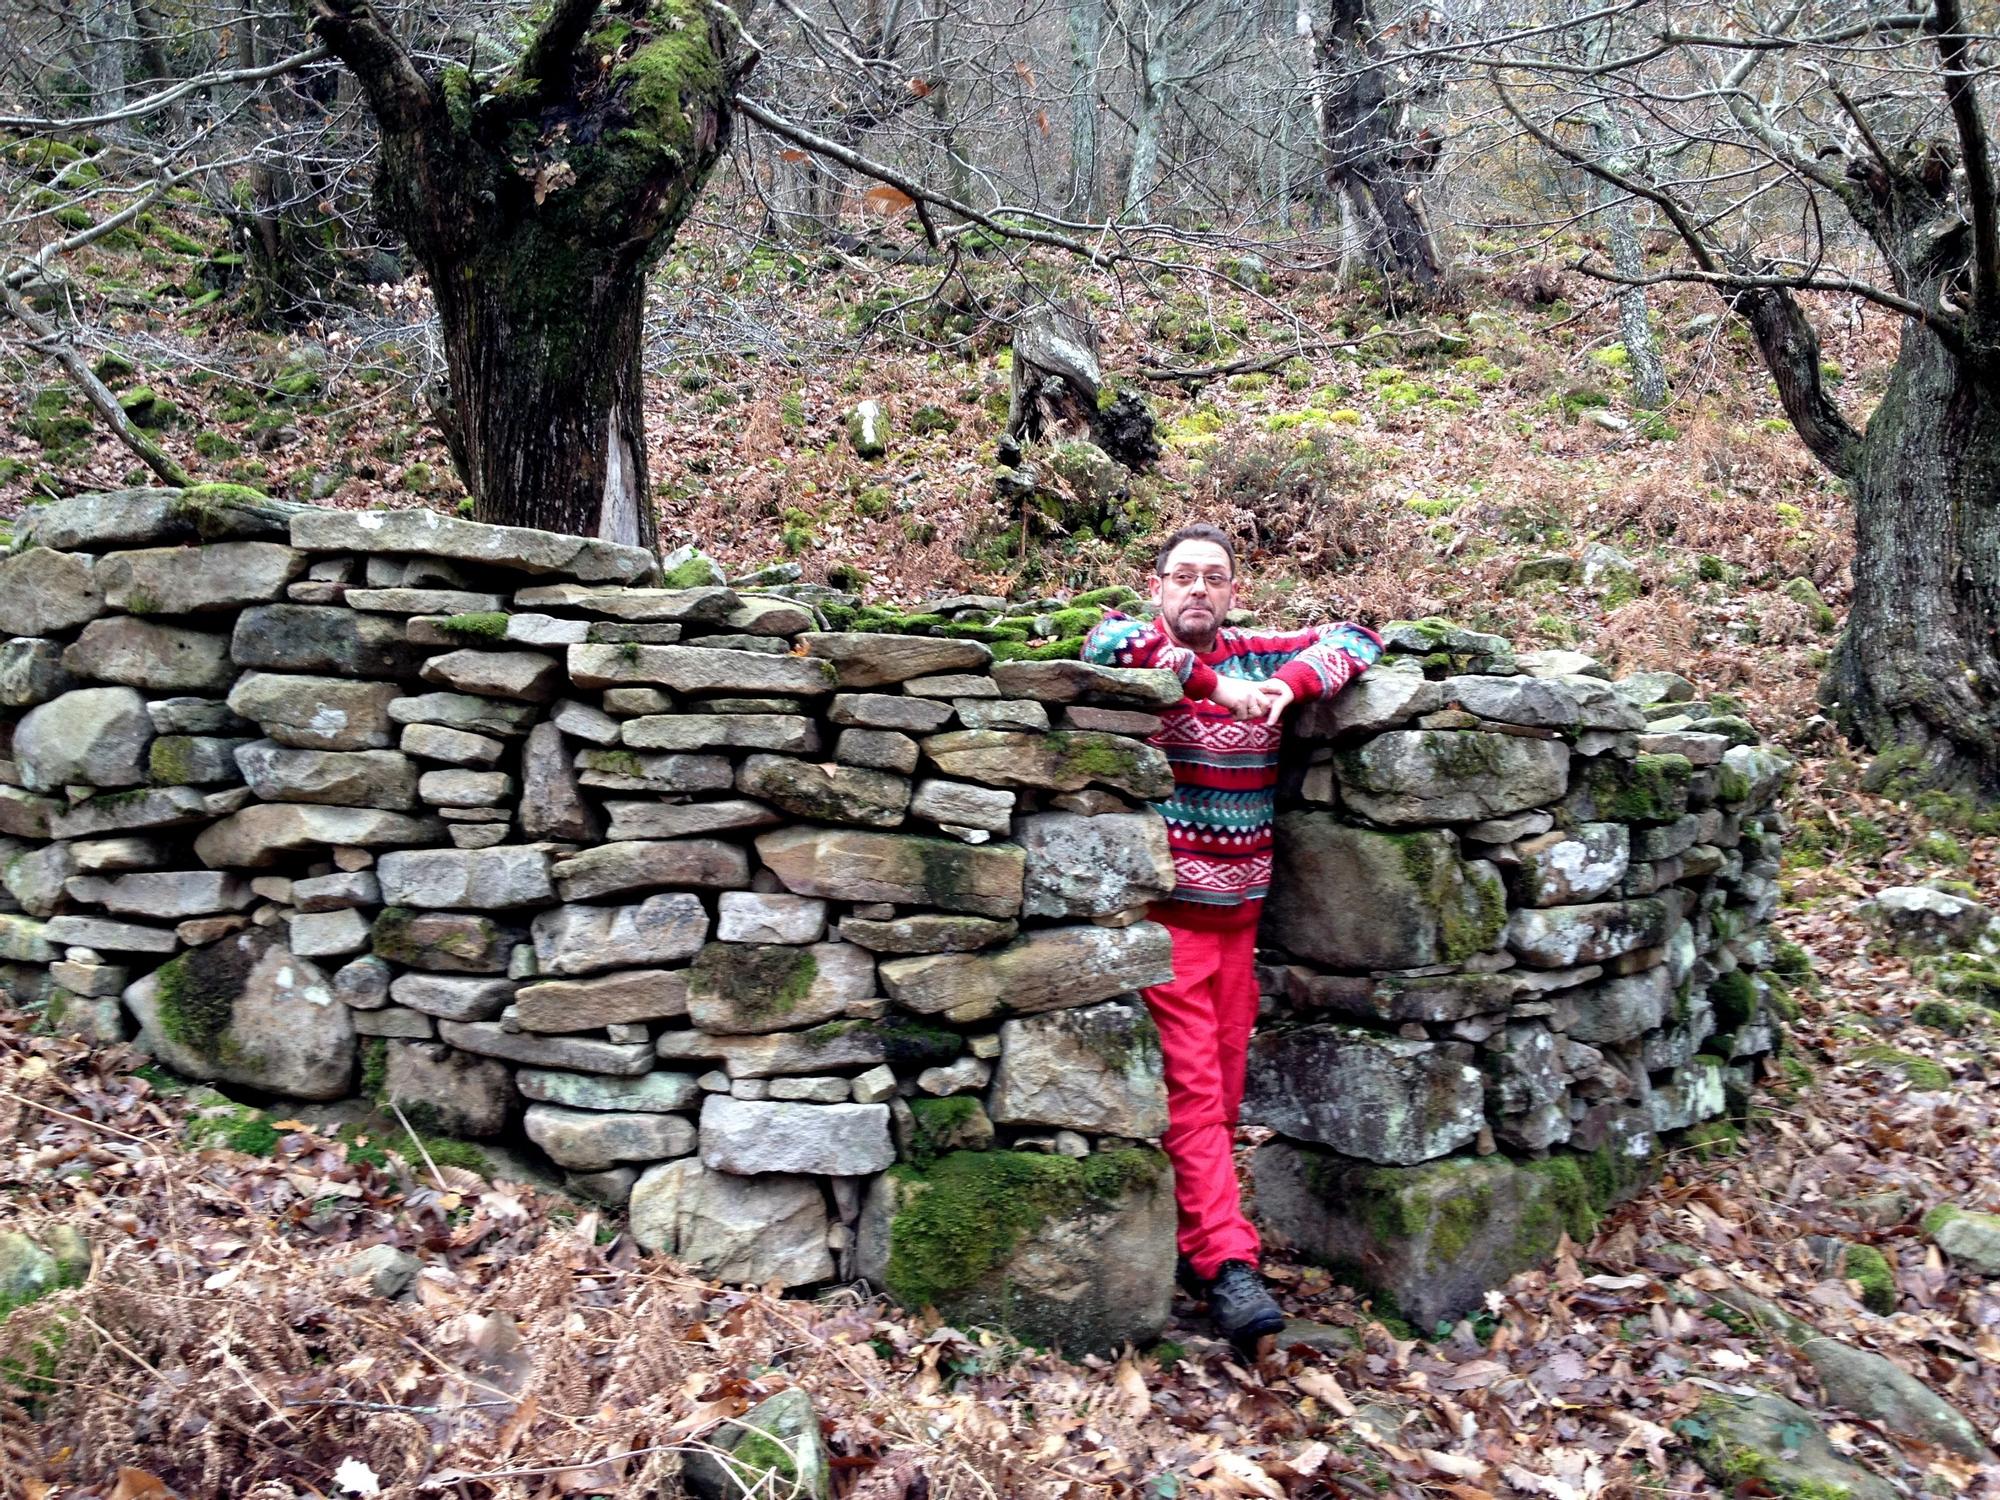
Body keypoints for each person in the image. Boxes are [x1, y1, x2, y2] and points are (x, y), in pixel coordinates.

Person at [1082, 523, 1382, 1355]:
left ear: (1233, 592)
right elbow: (1111, 639)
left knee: (1221, 1088)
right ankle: (1225, 1264)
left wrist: (1283, 687)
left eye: (1213, 578)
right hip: (1171, 918)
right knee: (1192, 1091)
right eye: (1182, 577)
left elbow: (1359, 636)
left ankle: (1196, 1237)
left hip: (1243, 921)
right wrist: (1218, 692)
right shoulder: (1137, 645)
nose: (1197, 591)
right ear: (1159, 585)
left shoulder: (1259, 653)